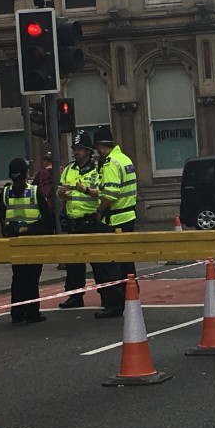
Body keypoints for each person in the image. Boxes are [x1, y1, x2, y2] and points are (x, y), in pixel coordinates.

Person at [0, 158, 52, 324]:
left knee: (18, 277)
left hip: (14, 241)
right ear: (26, 173)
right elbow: (47, 217)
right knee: (32, 278)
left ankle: (17, 313)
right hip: (33, 241)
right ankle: (32, 313)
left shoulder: (5, 192)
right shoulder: (34, 192)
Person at [92, 125, 138, 319]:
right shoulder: (125, 159)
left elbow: (110, 194)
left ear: (102, 147)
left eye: (97, 149)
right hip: (128, 216)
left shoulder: (111, 163)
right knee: (127, 263)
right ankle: (132, 298)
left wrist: (100, 210)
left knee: (111, 263)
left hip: (115, 219)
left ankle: (115, 304)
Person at [57, 131, 102, 309]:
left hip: (91, 221)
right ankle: (75, 297)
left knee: (99, 263)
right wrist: (61, 194)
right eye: (74, 149)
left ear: (88, 151)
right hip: (73, 222)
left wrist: (85, 190)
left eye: (79, 149)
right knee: (74, 263)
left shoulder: (98, 169)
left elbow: (103, 192)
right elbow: (62, 192)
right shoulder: (69, 169)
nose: (76, 152)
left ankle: (106, 295)